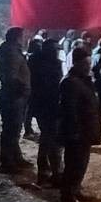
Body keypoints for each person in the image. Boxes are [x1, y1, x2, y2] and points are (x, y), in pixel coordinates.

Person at [57, 47, 101, 202]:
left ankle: (75, 191)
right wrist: (73, 132)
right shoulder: (70, 82)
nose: (88, 66)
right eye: (85, 63)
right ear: (76, 63)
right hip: (77, 132)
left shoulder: (82, 80)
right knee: (74, 165)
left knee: (81, 164)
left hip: (85, 130)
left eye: (89, 63)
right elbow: (69, 110)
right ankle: (67, 198)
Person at [0, 27, 32, 174]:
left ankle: (16, 158)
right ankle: (7, 163)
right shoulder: (11, 53)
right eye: (22, 36)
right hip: (12, 97)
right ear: (17, 37)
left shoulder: (11, 51)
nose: (24, 38)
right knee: (11, 130)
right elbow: (11, 76)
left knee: (14, 130)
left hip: (12, 95)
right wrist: (22, 90)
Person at [28, 39, 63, 185]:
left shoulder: (34, 62)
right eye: (55, 49)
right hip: (50, 105)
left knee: (46, 139)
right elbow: (54, 85)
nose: (57, 52)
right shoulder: (52, 64)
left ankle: (44, 171)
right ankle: (54, 173)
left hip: (39, 105)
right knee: (52, 140)